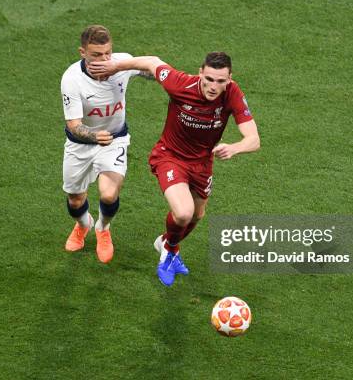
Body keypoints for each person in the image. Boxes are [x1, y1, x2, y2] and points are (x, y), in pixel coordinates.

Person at [90, 52, 260, 285]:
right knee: (183, 213)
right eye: (209, 79)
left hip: (201, 163)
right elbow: (152, 62)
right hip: (170, 157)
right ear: (200, 73)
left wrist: (235, 148)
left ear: (229, 78)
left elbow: (253, 139)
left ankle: (167, 244)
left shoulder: (232, 93)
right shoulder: (180, 83)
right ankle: (168, 255)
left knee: (197, 215)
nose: (213, 86)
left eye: (220, 81)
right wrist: (116, 66)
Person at [60, 25, 145, 263]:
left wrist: (168, 78)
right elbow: (74, 124)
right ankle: (83, 225)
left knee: (108, 194)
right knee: (75, 199)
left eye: (107, 53)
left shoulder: (121, 64)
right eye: (96, 55)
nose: (104, 59)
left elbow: (152, 69)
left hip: (115, 140)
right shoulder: (72, 79)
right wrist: (94, 135)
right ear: (82, 52)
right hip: (80, 145)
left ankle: (103, 229)